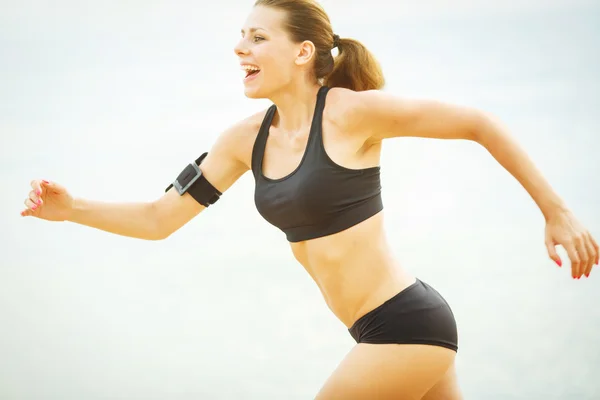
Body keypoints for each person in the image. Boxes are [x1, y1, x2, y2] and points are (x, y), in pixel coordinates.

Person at [21, 0, 598, 399]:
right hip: (374, 332)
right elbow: (158, 218)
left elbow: (478, 122)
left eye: (257, 36)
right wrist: (73, 209)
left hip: (406, 324)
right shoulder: (242, 141)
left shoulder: (350, 113)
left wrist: (557, 212)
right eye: (241, 36)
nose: (239, 47)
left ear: (302, 53)